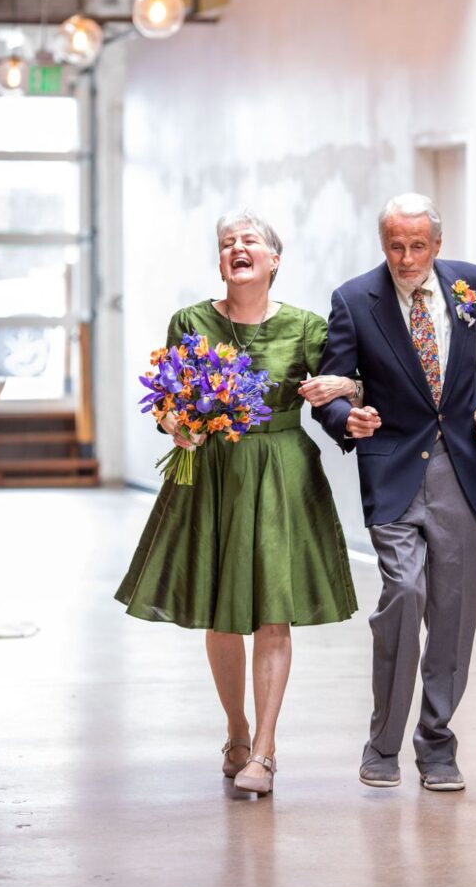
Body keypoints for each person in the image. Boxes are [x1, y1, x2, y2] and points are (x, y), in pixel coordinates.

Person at [115, 210, 358, 795]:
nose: (238, 248)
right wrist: (177, 425)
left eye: (250, 241)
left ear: (275, 260)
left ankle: (267, 751)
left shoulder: (306, 326)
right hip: (211, 471)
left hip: (280, 472)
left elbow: (346, 381)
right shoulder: (191, 321)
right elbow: (170, 403)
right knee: (221, 609)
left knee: (272, 609)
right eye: (228, 243)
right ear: (221, 261)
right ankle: (237, 730)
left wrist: (347, 388)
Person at [306, 192, 476, 792]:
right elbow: (334, 388)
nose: (407, 256)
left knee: (455, 611)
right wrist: (347, 418)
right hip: (393, 468)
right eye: (396, 244)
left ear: (437, 245)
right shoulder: (353, 299)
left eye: (418, 245)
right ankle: (382, 742)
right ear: (382, 242)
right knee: (405, 592)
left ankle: (437, 743)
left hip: (462, 466)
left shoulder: (468, 284)